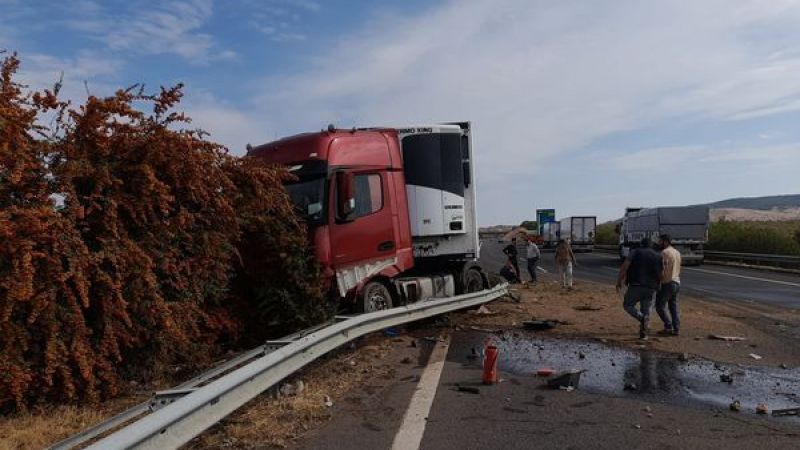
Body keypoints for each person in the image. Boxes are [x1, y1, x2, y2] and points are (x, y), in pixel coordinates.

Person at [616, 237, 662, 340]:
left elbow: (625, 267)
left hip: (636, 285)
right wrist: (658, 285)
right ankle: (644, 334)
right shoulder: (658, 255)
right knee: (646, 309)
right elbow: (660, 273)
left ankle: (642, 318)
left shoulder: (635, 252)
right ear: (651, 245)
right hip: (651, 287)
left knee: (627, 305)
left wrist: (619, 281)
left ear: (641, 244)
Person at [655, 234, 682, 335]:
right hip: (677, 282)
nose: (658, 243)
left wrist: (658, 282)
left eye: (660, 241)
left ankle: (668, 326)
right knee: (673, 307)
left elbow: (662, 269)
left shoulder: (665, 252)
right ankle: (676, 328)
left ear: (665, 241)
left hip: (667, 283)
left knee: (659, 306)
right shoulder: (677, 252)